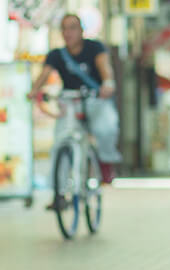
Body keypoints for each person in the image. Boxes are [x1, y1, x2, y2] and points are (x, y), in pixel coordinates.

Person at [30, 13, 123, 191]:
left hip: (95, 98)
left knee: (107, 127)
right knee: (60, 141)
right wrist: (33, 91)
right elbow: (43, 75)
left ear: (81, 30)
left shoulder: (95, 48)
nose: (68, 32)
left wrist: (108, 84)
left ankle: (105, 162)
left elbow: (105, 68)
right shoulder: (56, 55)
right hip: (69, 101)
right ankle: (59, 191)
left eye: (72, 28)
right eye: (64, 28)